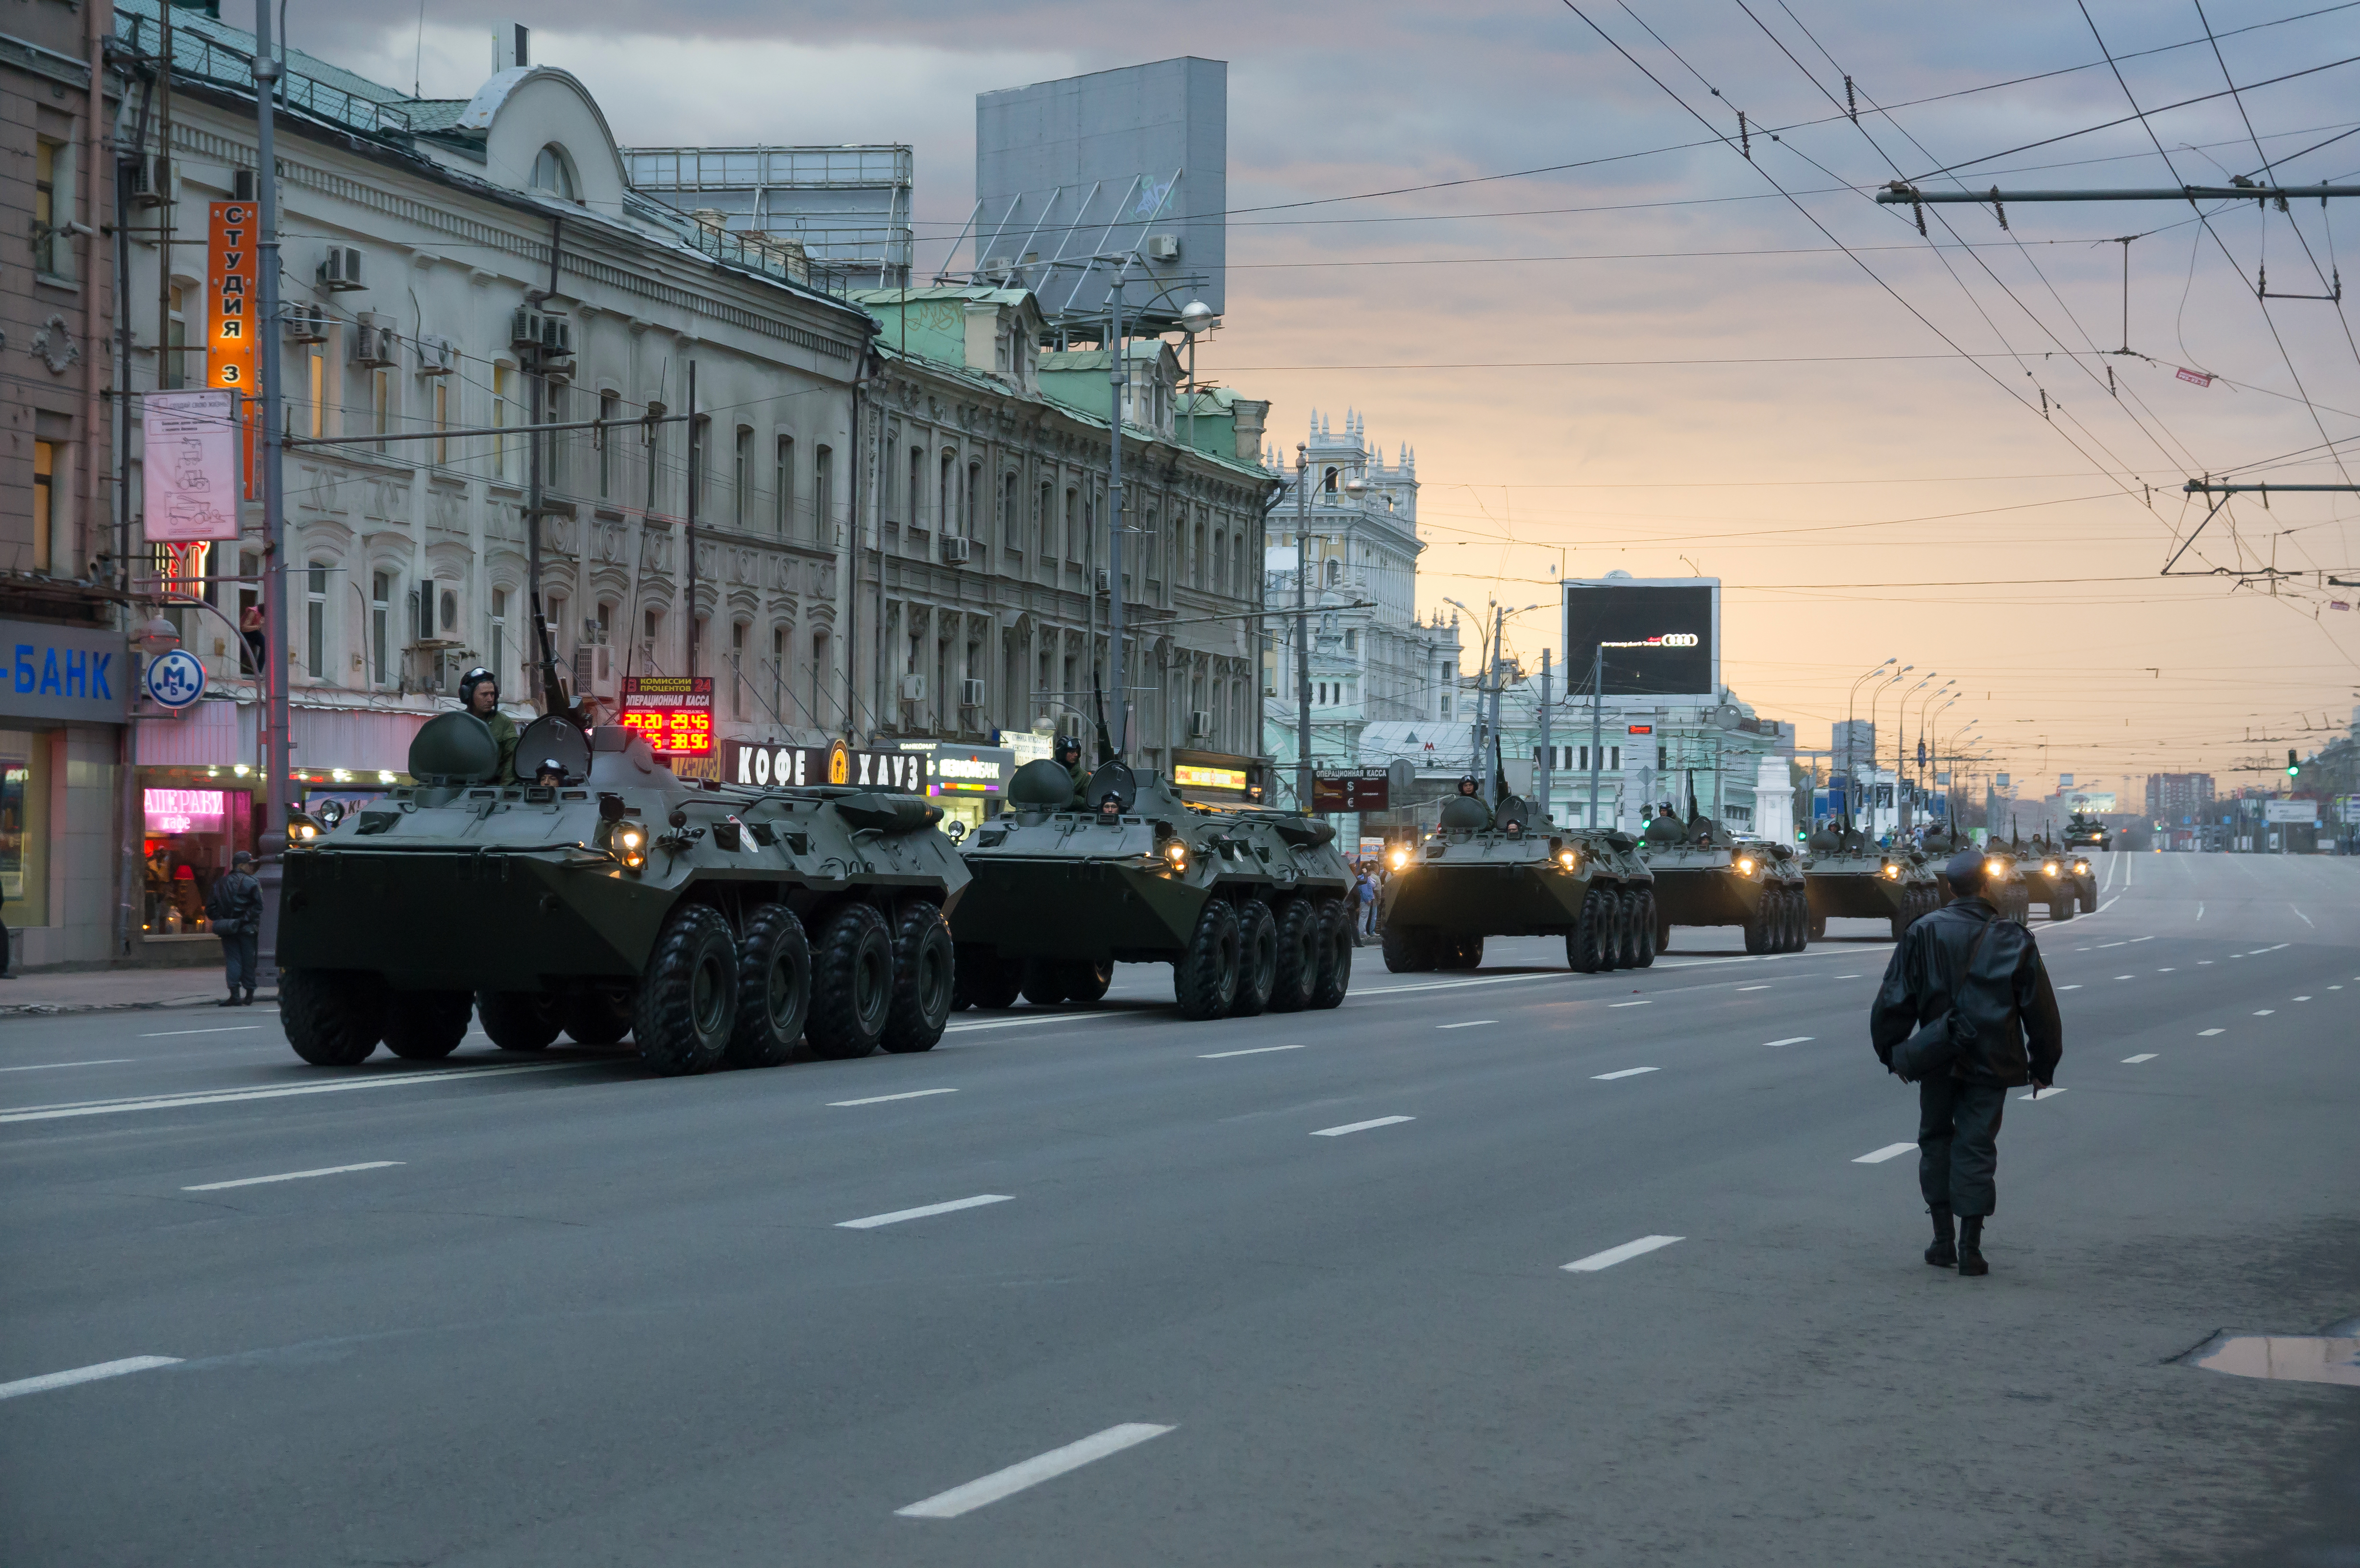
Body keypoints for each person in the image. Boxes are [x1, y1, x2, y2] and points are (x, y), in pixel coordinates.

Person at [1870, 847, 2064, 1276]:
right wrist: (2042, 1066)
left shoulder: (1922, 932)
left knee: (1936, 1141)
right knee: (1977, 1146)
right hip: (1993, 1061)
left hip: (1938, 1058)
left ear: (1949, 888)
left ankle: (1941, 1242)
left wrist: (1894, 1054)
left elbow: (1893, 999)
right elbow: (2042, 1011)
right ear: (1986, 886)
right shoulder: (2013, 937)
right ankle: (1970, 1247)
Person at [205, 850, 264, 1006]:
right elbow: (258, 907)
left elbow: (210, 908)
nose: (252, 868)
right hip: (247, 929)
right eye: (250, 864)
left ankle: (235, 995)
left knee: (233, 960)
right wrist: (243, 920)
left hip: (228, 929)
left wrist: (224, 921)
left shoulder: (220, 884)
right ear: (241, 865)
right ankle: (249, 994)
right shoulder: (252, 883)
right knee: (248, 960)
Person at [459, 667, 518, 784]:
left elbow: (512, 758)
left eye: (492, 694)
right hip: (459, 787)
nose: (490, 699)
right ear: (469, 695)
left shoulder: (502, 723)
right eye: (484, 694)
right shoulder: (458, 722)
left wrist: (503, 790)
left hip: (493, 788)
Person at [1053, 733, 1091, 809]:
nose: (1076, 755)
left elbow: (1089, 802)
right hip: (1048, 812)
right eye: (1072, 752)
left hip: (1073, 814)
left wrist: (1074, 799)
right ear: (1062, 753)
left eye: (1077, 752)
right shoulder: (1051, 771)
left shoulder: (1084, 776)